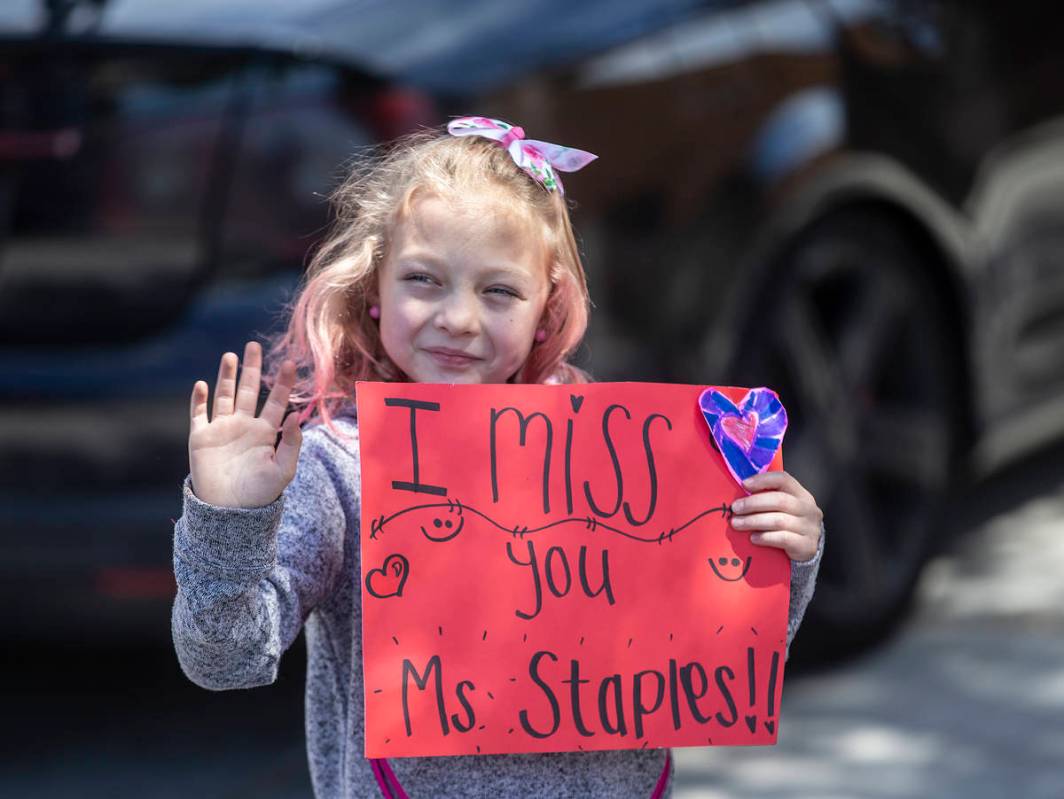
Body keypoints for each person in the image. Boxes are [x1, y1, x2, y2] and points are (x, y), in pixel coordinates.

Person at [172, 117, 824, 798]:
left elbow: (711, 658)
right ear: (374, 293)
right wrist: (229, 517)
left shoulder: (613, 452)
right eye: (424, 279)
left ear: (546, 309)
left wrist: (786, 551)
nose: (458, 317)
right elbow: (224, 657)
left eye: (499, 291)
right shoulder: (337, 467)